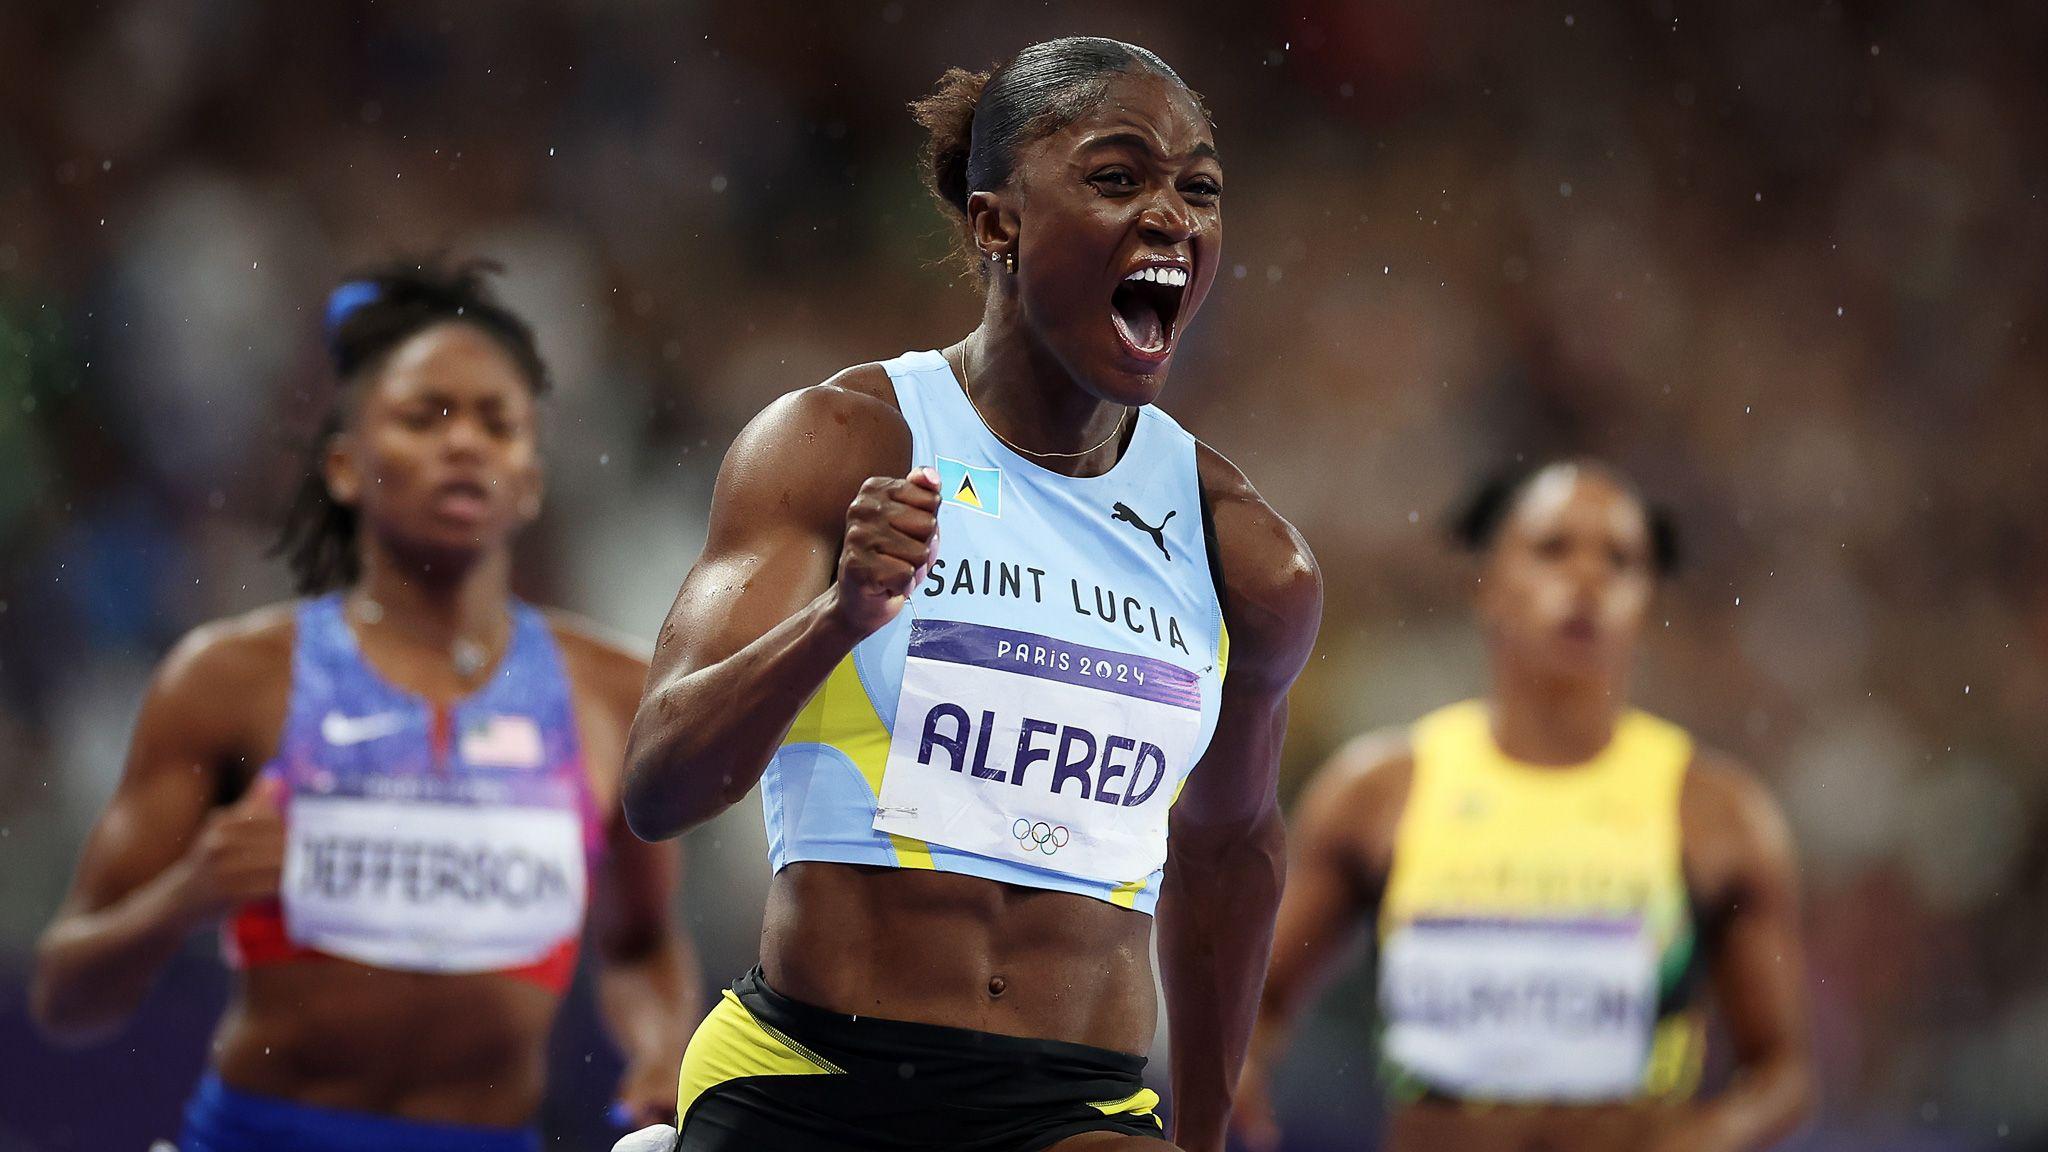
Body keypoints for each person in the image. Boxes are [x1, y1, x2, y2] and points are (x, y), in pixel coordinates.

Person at [617, 36, 1322, 1152]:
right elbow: (659, 781)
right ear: (994, 222)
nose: (1172, 217)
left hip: (1066, 1108)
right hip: (811, 1078)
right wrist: (835, 619)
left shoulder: (1248, 559)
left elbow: (1228, 854)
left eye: (1198, 189)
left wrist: (1200, 1132)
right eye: (1117, 176)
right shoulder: (839, 442)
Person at [31, 260, 701, 1152]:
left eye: (498, 424)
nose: (465, 444)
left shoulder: (613, 691)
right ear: (345, 466)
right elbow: (66, 997)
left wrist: (661, 1052)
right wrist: (183, 899)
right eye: (426, 417)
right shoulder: (232, 679)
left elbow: (639, 943)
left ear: (531, 477)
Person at [1231, 460, 1816, 1152]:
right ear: (1488, 587)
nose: (1588, 580)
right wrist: (1240, 1068)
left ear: (1647, 599)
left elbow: (1780, 1073)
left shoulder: (1718, 815)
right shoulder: (1378, 795)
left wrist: (1702, 1142)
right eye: (1552, 549)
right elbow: (1254, 1002)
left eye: (1621, 561)